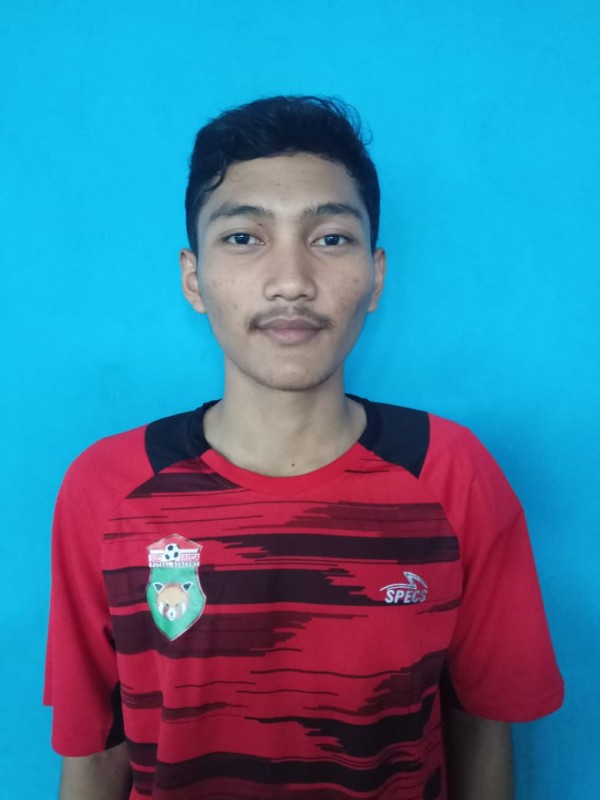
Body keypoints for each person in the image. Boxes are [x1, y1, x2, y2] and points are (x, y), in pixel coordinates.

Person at [45, 95, 564, 800]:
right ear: (193, 278)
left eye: (331, 238)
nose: (291, 281)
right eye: (243, 237)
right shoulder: (108, 486)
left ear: (376, 276)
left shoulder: (451, 473)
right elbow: (94, 751)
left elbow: (482, 727)